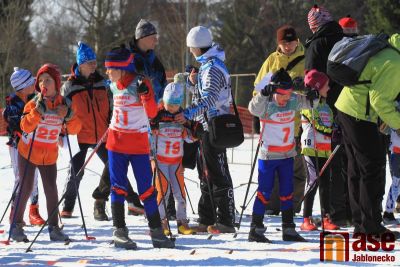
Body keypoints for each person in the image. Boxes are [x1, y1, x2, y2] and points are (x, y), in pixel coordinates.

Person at [60, 42, 143, 221]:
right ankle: (67, 206)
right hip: (79, 134)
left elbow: (113, 105)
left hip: (103, 133)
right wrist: (61, 132)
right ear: (81, 65)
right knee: (77, 171)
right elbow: (62, 112)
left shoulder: (102, 83)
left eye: (94, 62)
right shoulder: (70, 86)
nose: (94, 65)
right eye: (90, 62)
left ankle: (131, 201)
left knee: (114, 167)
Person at [104, 45, 174, 249]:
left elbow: (152, 113)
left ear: (122, 67)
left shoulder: (141, 83)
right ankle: (119, 230)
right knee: (117, 187)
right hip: (116, 143)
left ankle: (156, 232)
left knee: (146, 190)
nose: (107, 72)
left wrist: (145, 96)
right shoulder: (113, 84)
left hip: (138, 145)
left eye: (110, 68)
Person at [335, 33, 400, 238]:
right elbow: (380, 101)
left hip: (347, 108)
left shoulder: (387, 49)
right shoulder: (396, 62)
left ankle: (361, 224)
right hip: (359, 113)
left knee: (358, 169)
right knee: (373, 168)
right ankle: (370, 227)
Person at [175, 26, 236, 234]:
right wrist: (194, 84)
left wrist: (188, 113)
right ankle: (206, 218)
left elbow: (210, 100)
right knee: (206, 173)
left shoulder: (212, 68)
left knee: (217, 173)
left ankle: (226, 220)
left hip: (215, 126)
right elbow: (207, 95)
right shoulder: (209, 66)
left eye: (191, 48)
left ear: (197, 48)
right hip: (206, 126)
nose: (191, 52)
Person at [11, 64, 81, 242]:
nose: (43, 83)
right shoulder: (33, 102)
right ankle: (16, 226)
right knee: (26, 187)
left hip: (49, 154)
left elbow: (75, 129)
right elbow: (24, 125)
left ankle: (54, 228)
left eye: (48, 80)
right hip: (28, 152)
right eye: (40, 80)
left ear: (57, 84)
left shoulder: (64, 103)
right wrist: (37, 112)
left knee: (51, 189)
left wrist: (69, 115)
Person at [247, 68, 317, 243]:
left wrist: (311, 92)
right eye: (283, 94)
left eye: (289, 93)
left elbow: (312, 103)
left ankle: (288, 228)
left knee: (287, 192)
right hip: (269, 157)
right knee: (264, 192)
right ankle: (255, 228)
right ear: (273, 91)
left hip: (287, 155)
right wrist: (263, 94)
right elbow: (252, 109)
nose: (286, 98)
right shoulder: (267, 104)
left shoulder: (292, 101)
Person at [305, 4, 351, 227]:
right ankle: (350, 210)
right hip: (352, 104)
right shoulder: (344, 39)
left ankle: (333, 213)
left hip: (327, 108)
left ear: (314, 25)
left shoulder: (317, 44)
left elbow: (311, 79)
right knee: (348, 159)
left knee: (327, 161)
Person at [253, 24, 307, 215]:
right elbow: (258, 87)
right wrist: (263, 96)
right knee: (273, 165)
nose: (289, 46)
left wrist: (304, 87)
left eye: (292, 42)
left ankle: (292, 205)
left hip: (297, 122)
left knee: (296, 167)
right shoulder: (272, 60)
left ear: (297, 41)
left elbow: (313, 86)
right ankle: (271, 205)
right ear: (279, 43)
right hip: (273, 123)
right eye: (285, 43)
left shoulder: (305, 59)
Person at [129, 19, 170, 216]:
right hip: (133, 116)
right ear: (143, 38)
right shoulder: (130, 59)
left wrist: (163, 104)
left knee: (152, 159)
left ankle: (156, 201)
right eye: (153, 37)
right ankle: (104, 196)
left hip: (154, 114)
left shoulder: (155, 60)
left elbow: (162, 84)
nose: (156, 41)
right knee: (125, 159)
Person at [151, 81, 197, 235]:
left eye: (175, 105)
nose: (171, 108)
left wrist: (195, 134)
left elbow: (189, 138)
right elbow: (149, 136)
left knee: (180, 193)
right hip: (161, 161)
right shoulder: (158, 115)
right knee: (163, 193)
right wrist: (151, 158)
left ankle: (182, 222)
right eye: (168, 104)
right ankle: (161, 222)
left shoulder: (181, 117)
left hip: (177, 162)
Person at [3, 67, 45, 226]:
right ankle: (15, 211)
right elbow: (16, 124)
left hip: (34, 144)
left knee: (34, 178)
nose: (34, 83)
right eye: (31, 82)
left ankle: (34, 210)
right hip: (17, 145)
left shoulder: (35, 99)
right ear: (22, 86)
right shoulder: (13, 105)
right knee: (21, 178)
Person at [299, 69, 338, 231]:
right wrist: (334, 132)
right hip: (310, 149)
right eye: (326, 86)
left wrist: (337, 128)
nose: (328, 89)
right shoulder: (308, 104)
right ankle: (306, 218)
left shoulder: (326, 107)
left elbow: (330, 124)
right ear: (316, 87)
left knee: (325, 185)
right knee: (312, 182)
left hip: (325, 151)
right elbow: (318, 127)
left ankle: (325, 217)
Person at [382, 120, 400, 225]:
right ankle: (388, 213)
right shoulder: (395, 109)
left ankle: (389, 213)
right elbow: (383, 129)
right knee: (396, 182)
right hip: (397, 152)